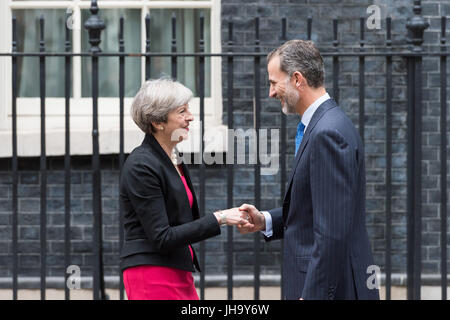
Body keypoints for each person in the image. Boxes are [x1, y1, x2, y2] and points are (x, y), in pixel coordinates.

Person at [238, 40, 380, 300]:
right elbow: (319, 210)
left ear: (297, 79)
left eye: (273, 82)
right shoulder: (325, 124)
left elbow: (332, 230)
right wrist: (266, 221)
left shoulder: (327, 132)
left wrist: (313, 294)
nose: (270, 93)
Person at [119, 78, 248, 300]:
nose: (190, 116)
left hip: (176, 269)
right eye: (182, 111)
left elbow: (183, 225)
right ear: (158, 122)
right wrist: (221, 218)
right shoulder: (142, 164)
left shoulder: (172, 158)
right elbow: (162, 237)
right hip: (152, 274)